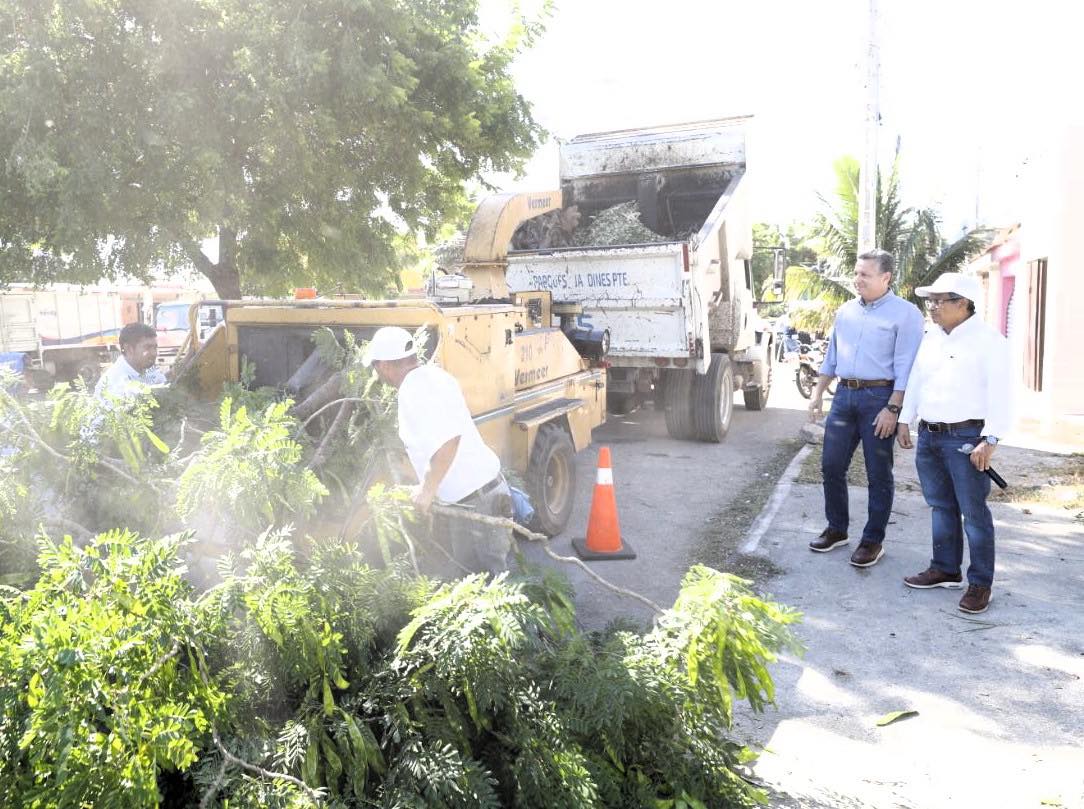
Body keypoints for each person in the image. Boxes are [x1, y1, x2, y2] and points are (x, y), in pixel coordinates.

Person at [897, 273, 1011, 614]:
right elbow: (917, 379)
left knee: (974, 513)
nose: (931, 307)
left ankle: (980, 584)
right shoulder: (932, 337)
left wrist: (990, 439)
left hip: (966, 438)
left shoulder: (989, 341)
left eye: (939, 301)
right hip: (929, 435)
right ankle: (945, 567)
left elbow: (1002, 395)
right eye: (929, 301)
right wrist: (906, 417)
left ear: (963, 303)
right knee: (940, 505)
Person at [807, 249, 925, 567]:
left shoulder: (906, 314)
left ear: (885, 278)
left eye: (865, 275)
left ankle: (873, 540)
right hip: (844, 396)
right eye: (856, 273)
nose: (857, 279)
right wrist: (818, 393)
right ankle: (837, 529)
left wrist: (893, 408)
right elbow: (832, 356)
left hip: (879, 398)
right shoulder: (846, 311)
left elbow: (906, 367)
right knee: (831, 466)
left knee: (878, 473)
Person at [362, 326, 512, 576]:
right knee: (473, 581)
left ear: (385, 365)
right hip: (476, 498)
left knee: (491, 590)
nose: (376, 373)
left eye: (376, 366)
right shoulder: (432, 376)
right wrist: (424, 486)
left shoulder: (414, 390)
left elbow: (448, 442)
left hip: (478, 502)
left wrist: (427, 491)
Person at [95, 322, 167, 400]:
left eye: (155, 347)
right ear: (129, 348)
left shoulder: (151, 370)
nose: (154, 353)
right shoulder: (115, 382)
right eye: (147, 347)